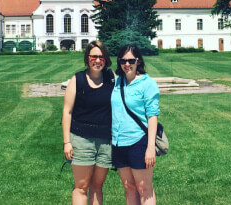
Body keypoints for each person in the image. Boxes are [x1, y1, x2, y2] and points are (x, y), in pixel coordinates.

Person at [62, 40, 114, 205]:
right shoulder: (78, 79)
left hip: (106, 141)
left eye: (101, 57)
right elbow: (67, 112)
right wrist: (67, 142)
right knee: (81, 186)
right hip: (81, 140)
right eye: (94, 57)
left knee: (97, 186)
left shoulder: (112, 78)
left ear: (105, 59)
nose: (97, 60)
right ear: (87, 58)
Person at [111, 44, 160, 205]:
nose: (127, 64)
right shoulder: (118, 82)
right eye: (123, 60)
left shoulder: (147, 83)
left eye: (131, 60)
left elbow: (152, 116)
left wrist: (150, 147)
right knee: (129, 187)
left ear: (138, 61)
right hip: (118, 142)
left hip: (139, 141)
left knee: (144, 188)